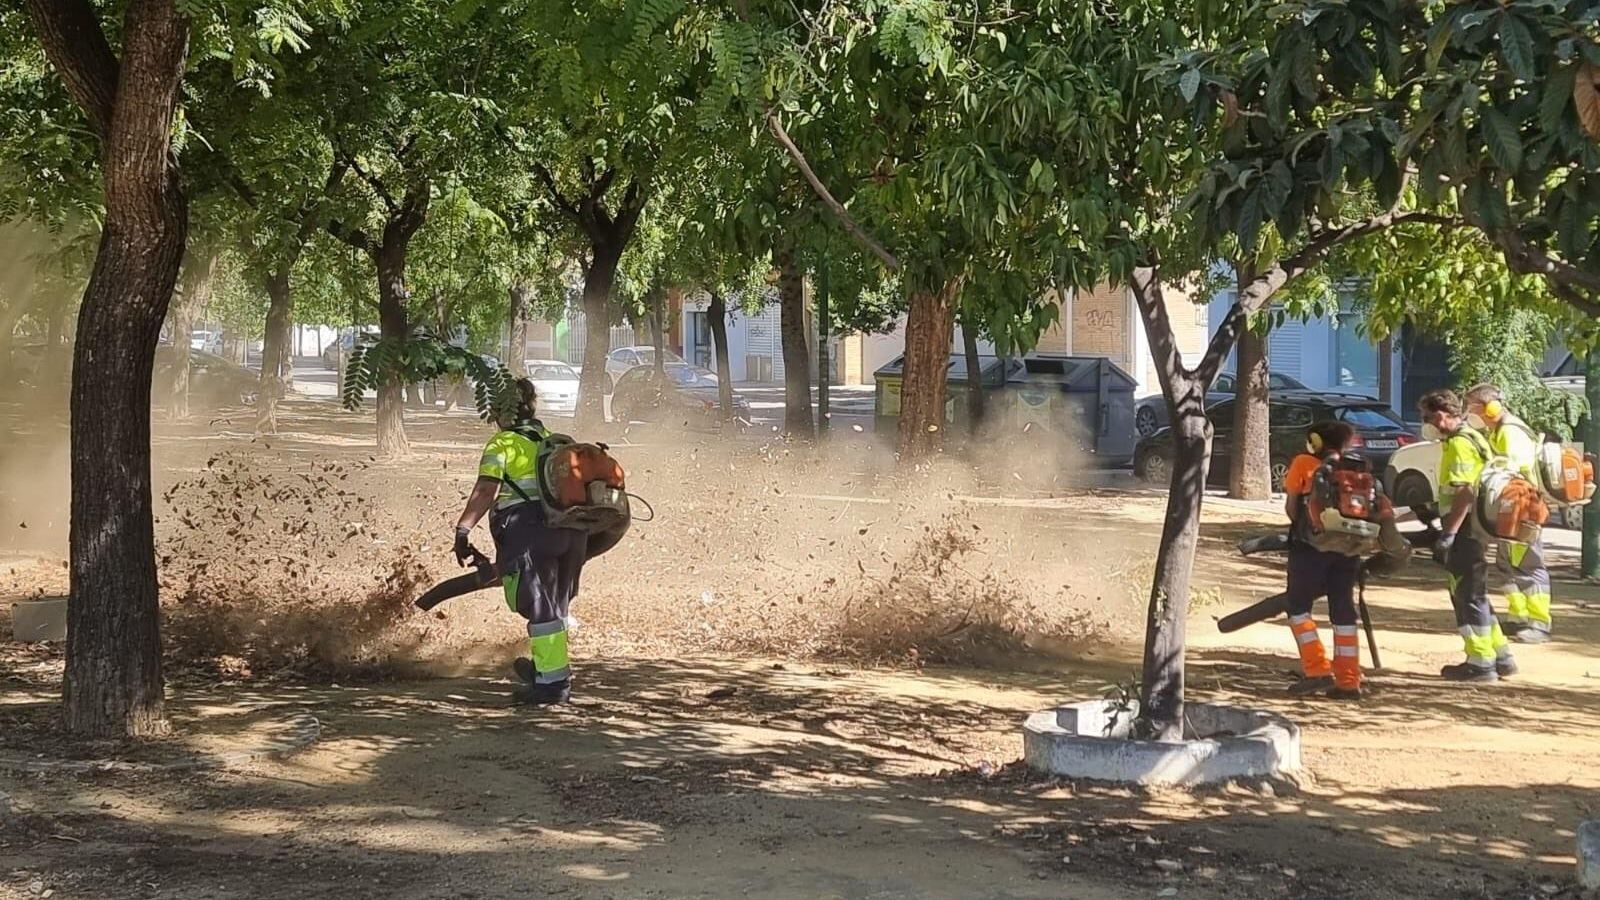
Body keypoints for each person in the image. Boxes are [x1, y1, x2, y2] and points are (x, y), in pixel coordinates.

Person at [453, 378, 585, 705]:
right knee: (555, 607)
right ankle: (547, 670)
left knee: (541, 609)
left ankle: (552, 687)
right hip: (571, 533)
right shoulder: (552, 440)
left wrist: (463, 530)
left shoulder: (503, 444)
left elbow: (486, 491)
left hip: (531, 533)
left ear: (502, 410)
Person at [1418, 388, 1515, 683]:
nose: (1425, 423)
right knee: (1477, 592)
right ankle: (1501, 656)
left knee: (1465, 595)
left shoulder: (1459, 444)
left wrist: (1448, 533)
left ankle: (1479, 662)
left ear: (1443, 415)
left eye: (1427, 417)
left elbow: (1464, 492)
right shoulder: (1473, 437)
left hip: (1465, 531)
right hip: (1476, 529)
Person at [1280, 420, 1368, 700]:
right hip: (1350, 546)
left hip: (1311, 546)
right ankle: (1348, 681)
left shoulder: (1303, 462)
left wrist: (1303, 527)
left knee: (1298, 607)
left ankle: (1317, 670)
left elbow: (1292, 507)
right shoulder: (1355, 467)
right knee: (1343, 610)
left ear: (1316, 441)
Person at [1463, 383, 1552, 644]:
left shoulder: (1511, 433)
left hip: (1523, 507)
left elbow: (1509, 471)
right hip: (1510, 507)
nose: (1470, 413)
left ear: (1491, 407)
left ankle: (1539, 623)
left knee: (1528, 565)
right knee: (1506, 564)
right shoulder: (1500, 430)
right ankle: (1518, 617)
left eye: (1473, 407)